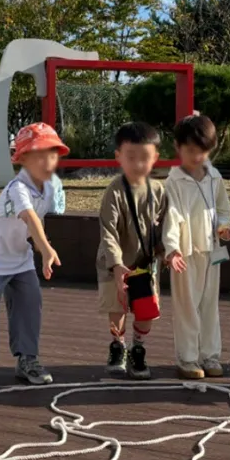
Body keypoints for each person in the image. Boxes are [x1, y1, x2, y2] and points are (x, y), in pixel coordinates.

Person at [0, 122, 68, 391]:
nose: (47, 161)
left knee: (30, 304)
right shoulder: (16, 188)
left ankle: (27, 361)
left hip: (19, 257)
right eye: (39, 154)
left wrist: (42, 249)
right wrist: (47, 249)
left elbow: (38, 221)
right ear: (22, 159)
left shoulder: (50, 187)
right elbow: (29, 216)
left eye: (52, 154)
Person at [163, 115, 230, 380]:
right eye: (191, 150)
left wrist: (225, 226)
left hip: (211, 251)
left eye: (203, 150)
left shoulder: (214, 176)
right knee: (187, 306)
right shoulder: (174, 181)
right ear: (178, 147)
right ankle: (187, 357)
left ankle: (210, 355)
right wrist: (172, 249)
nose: (197, 156)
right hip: (185, 253)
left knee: (209, 304)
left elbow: (223, 208)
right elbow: (171, 216)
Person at [96, 122, 168, 380]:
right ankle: (118, 345)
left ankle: (138, 348)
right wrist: (116, 265)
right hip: (114, 262)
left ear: (155, 157)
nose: (138, 164)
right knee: (117, 307)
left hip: (144, 264)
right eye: (131, 157)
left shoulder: (158, 190)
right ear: (118, 156)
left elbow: (166, 227)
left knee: (146, 309)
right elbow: (108, 231)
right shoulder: (114, 190)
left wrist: (166, 252)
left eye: (145, 157)